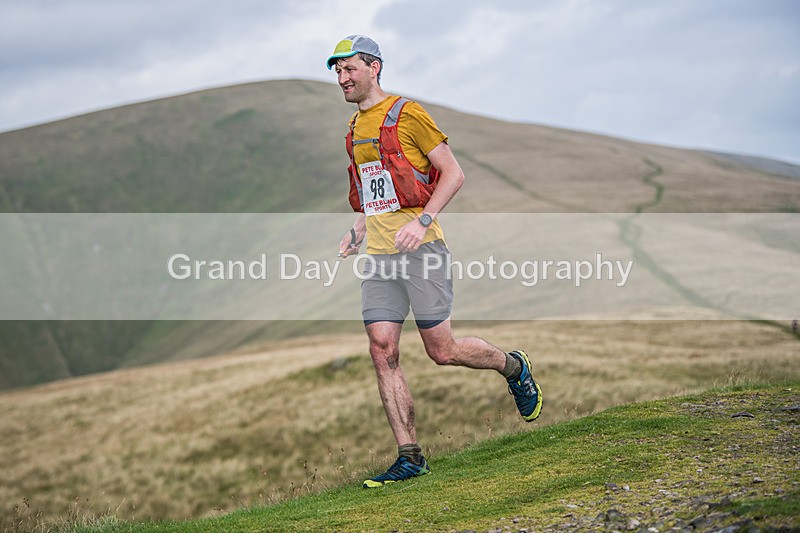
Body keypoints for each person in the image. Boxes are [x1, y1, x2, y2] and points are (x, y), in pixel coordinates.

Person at [327, 35, 543, 489]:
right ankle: (410, 457)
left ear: (374, 68)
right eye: (337, 71)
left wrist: (423, 221)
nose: (342, 78)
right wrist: (359, 229)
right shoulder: (353, 130)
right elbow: (375, 193)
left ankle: (513, 366)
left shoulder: (409, 114)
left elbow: (453, 172)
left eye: (349, 69)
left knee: (441, 351)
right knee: (382, 349)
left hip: (422, 250)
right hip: (381, 258)